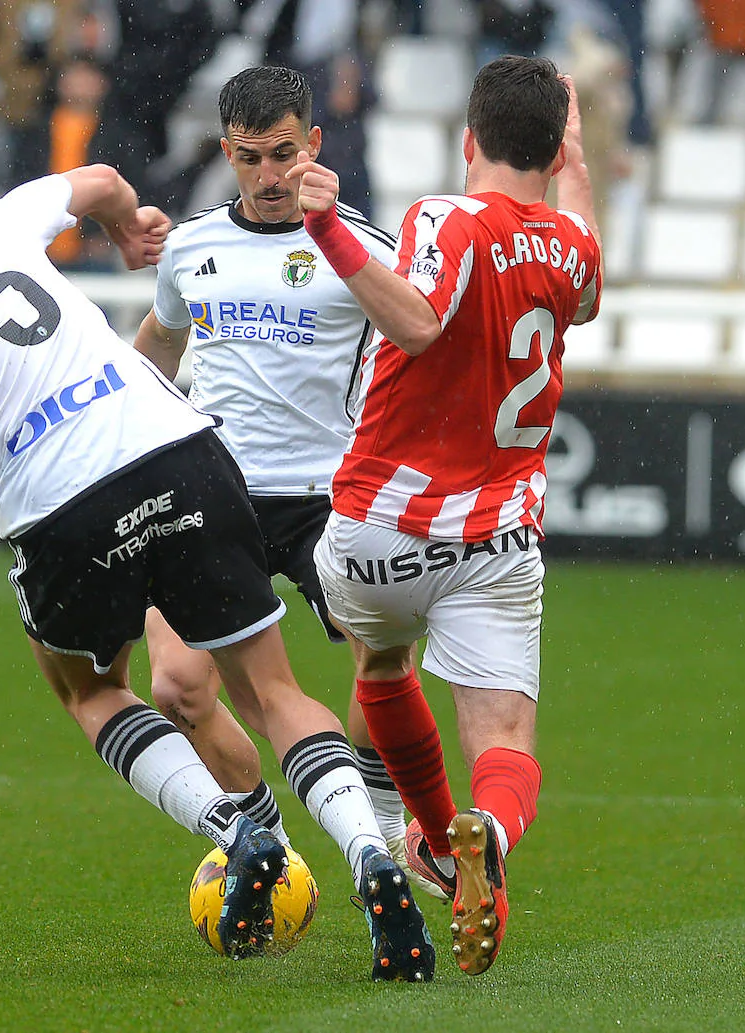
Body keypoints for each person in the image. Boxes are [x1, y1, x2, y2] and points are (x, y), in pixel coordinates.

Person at [0, 163, 435, 980]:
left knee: (92, 691)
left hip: (62, 501)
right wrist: (130, 226)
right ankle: (371, 851)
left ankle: (236, 830)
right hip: (182, 446)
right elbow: (102, 179)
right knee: (272, 692)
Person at [290, 55, 603, 976]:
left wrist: (330, 233)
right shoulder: (573, 251)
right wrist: (574, 152)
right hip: (498, 537)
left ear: (467, 140)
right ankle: (486, 834)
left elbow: (419, 322)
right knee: (504, 744)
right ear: (551, 152)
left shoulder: (442, 217)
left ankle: (429, 835)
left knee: (381, 664)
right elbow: (581, 247)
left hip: (379, 531)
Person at [132, 64, 445, 905]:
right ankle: (261, 839)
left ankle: (379, 833)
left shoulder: (361, 250)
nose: (268, 177)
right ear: (226, 153)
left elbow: (423, 344)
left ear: (313, 143)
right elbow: (159, 345)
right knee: (174, 686)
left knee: (382, 658)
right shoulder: (193, 247)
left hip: (325, 499)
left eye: (281, 154)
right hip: (209, 491)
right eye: (247, 159)